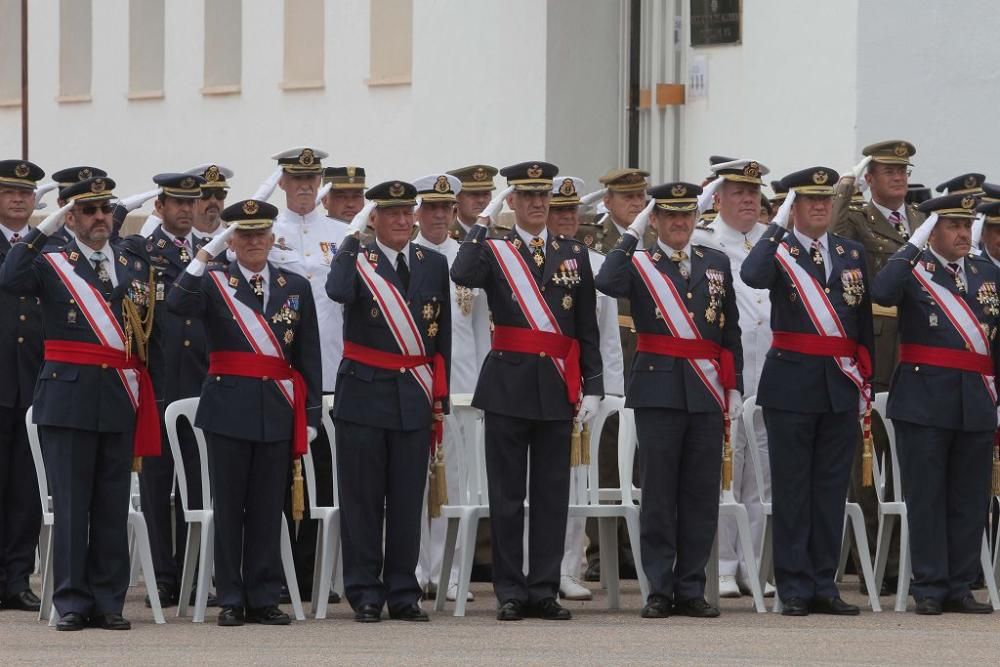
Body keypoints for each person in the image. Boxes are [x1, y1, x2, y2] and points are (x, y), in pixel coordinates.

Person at [0, 177, 159, 631]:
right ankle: (71, 600)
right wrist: (40, 227)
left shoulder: (129, 259)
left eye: (105, 210)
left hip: (118, 395)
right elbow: (10, 277)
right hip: (68, 395)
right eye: (88, 211)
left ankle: (108, 601)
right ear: (70, 217)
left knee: (110, 504)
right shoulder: (52, 261)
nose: (99, 218)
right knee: (71, 504)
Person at [451, 161, 603, 621]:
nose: (538, 205)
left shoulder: (573, 253)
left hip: (557, 385)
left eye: (544, 198)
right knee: (508, 495)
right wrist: (481, 224)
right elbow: (462, 273)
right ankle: (511, 591)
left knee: (552, 494)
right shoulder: (495, 249)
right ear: (512, 202)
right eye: (528, 197)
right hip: (508, 383)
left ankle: (543, 589)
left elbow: (585, 329)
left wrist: (592, 386)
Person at [168, 199, 322, 626]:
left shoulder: (295, 285)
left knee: (267, 506)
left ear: (273, 239)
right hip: (228, 406)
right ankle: (231, 596)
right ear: (232, 241)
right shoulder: (215, 282)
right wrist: (204, 255)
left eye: (261, 234)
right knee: (231, 505)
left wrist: (308, 417)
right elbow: (177, 303)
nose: (254, 242)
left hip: (275, 407)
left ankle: (263, 596)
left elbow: (308, 356)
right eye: (245, 235)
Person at [597, 182, 743, 618]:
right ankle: (659, 588)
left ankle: (691, 587)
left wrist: (733, 385)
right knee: (659, 493)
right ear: (655, 220)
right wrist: (631, 234)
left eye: (687, 215)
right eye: (670, 216)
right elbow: (606, 281)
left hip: (705, 389)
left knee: (700, 494)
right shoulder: (640, 263)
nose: (680, 223)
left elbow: (728, 328)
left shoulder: (714, 261)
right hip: (659, 388)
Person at [741, 166, 875, 616]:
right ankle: (794, 585)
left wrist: (865, 378)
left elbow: (861, 324)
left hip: (840, 382)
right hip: (792, 383)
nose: (820, 207)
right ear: (792, 207)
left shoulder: (851, 251)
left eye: (825, 200)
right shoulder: (777, 251)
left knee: (831, 489)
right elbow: (752, 275)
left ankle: (824, 583)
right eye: (809, 200)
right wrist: (777, 226)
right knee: (794, 489)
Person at [326, 180, 452, 623]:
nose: (401, 221)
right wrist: (349, 239)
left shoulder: (432, 263)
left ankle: (403, 591)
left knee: (405, 499)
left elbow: (442, 338)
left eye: (406, 213)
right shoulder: (358, 261)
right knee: (362, 499)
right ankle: (364, 591)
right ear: (373, 218)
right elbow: (337, 291)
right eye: (390, 213)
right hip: (364, 394)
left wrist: (441, 397)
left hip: (413, 396)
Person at [871, 193, 999, 615]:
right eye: (952, 226)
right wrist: (911, 246)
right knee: (927, 497)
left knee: (969, 498)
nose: (964, 234)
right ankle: (929, 585)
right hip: (924, 401)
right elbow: (882, 292)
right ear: (931, 230)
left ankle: (960, 585)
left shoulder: (986, 272)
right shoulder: (911, 270)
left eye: (967, 226)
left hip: (976, 400)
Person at [834, 140, 926, 592]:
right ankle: (874, 562)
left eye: (902, 170)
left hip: (919, 352)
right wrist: (844, 185)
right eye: (887, 170)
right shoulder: (855, 218)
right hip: (876, 348)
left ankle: (908, 557)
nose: (898, 177)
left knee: (909, 465)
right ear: (870, 177)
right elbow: (830, 237)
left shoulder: (921, 222)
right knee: (867, 465)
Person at [119, 173, 214, 608]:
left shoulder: (210, 251)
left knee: (198, 483)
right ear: (159, 207)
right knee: (159, 484)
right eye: (176, 202)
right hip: (161, 376)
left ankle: (197, 575)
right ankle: (162, 577)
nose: (185, 209)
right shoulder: (144, 249)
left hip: (203, 377)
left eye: (191, 202)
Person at [693, 158, 775, 598]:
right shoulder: (704, 240)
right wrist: (701, 198)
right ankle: (723, 564)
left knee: (762, 474)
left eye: (753, 192)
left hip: (771, 371)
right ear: (719, 198)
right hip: (729, 369)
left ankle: (752, 564)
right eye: (738, 192)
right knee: (729, 467)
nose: (748, 199)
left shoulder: (770, 240)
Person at [268, 146, 346, 602]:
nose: (304, 187)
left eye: (312, 180)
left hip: (333, 371)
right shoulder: (264, 231)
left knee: (325, 479)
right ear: (282, 183)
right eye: (296, 180)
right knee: (276, 479)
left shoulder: (342, 233)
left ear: (321, 185)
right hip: (280, 370)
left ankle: (317, 573)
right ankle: (276, 571)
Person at [411, 174, 490, 603]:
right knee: (413, 484)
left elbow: (481, 331)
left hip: (460, 389)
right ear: (417, 212)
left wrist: (481, 389)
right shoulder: (408, 257)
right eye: (431, 208)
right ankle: (418, 567)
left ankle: (453, 571)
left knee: (455, 485)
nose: (439, 215)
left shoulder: (469, 257)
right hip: (416, 383)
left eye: (446, 207)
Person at [546, 176, 624, 602]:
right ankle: (531, 565)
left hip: (583, 388)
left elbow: (608, 337)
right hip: (538, 381)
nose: (566, 220)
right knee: (531, 480)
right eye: (559, 211)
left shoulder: (596, 264)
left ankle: (567, 566)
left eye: (571, 212)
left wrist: (610, 393)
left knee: (577, 479)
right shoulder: (526, 259)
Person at [578, 167, 651, 582]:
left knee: (641, 457)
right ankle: (603, 552)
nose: (636, 204)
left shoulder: (654, 237)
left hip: (648, 347)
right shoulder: (595, 238)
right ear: (608, 202)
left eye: (640, 197)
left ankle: (635, 546)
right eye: (627, 198)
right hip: (614, 345)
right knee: (606, 457)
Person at [0, 160, 46, 613]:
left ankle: (17, 579)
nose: (18, 199)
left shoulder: (45, 244)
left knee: (26, 489)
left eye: (25, 193)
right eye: (10, 192)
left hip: (33, 380)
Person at [447, 165, 498, 241]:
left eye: (486, 194)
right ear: (456, 198)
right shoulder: (446, 238)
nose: (481, 200)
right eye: (474, 194)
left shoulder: (505, 237)